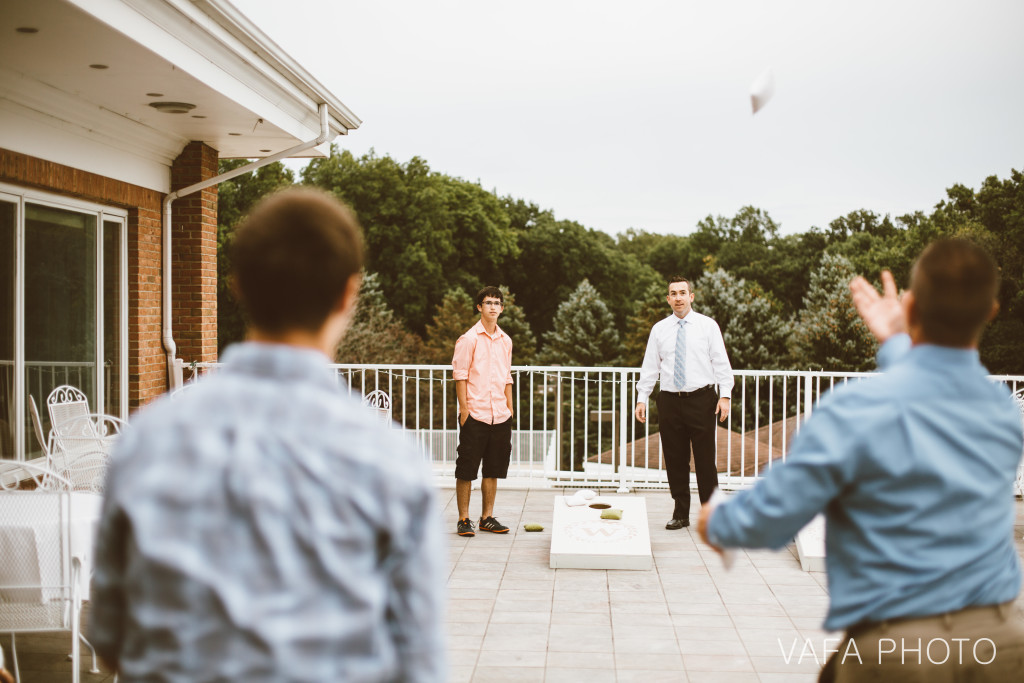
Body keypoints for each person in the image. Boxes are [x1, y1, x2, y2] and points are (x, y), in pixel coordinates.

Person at [89, 188, 447, 682]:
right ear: (348, 293)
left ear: (238, 286)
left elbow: (109, 639)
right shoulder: (391, 458)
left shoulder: (144, 440)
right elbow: (420, 665)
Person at [698, 238, 1024, 681]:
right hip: (1003, 643)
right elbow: (934, 382)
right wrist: (896, 340)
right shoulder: (1001, 407)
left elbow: (775, 513)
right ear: (991, 311)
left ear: (912, 308)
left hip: (898, 652)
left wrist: (716, 521)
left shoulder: (854, 409)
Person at [635, 276, 733, 529]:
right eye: (673, 293)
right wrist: (641, 398)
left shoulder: (707, 326)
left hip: (701, 399)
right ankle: (680, 513)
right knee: (675, 459)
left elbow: (721, 362)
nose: (678, 297)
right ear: (668, 299)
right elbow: (649, 367)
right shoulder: (659, 329)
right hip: (669, 401)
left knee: (704, 459)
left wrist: (725, 395)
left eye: (682, 292)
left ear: (691, 296)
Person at [452, 286, 514, 537]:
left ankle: (487, 518)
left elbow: (507, 377)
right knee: (466, 468)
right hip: (475, 413)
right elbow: (460, 375)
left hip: (500, 414)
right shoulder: (468, 339)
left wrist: (510, 409)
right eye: (487, 302)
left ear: (501, 308)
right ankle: (463, 518)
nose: (492, 307)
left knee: (493, 468)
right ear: (479, 307)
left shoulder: (506, 340)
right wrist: (464, 410)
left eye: (497, 303)